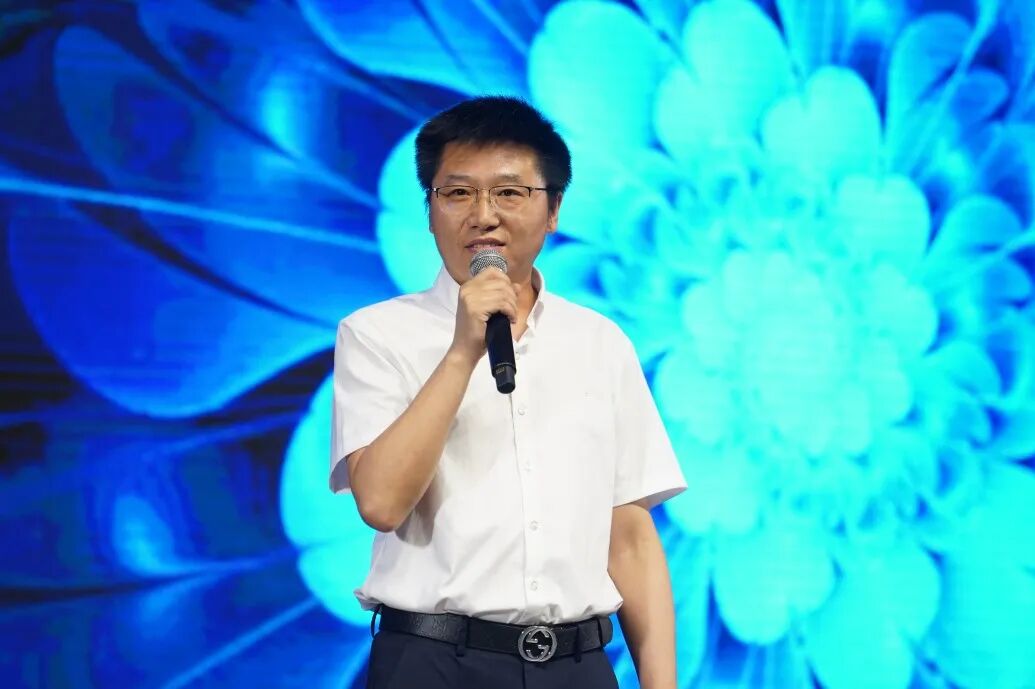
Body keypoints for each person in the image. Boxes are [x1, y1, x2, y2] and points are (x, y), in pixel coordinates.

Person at [330, 96, 686, 689]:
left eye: (509, 193)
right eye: (457, 193)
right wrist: (461, 352)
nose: (483, 215)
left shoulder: (600, 343)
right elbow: (382, 503)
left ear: (553, 210)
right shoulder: (376, 334)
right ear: (429, 211)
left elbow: (628, 535)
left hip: (576, 666)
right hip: (432, 662)